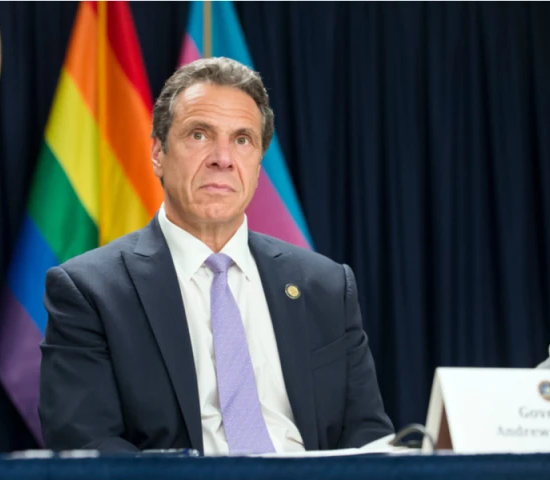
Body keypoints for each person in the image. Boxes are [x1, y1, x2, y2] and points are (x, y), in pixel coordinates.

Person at [38, 57, 394, 455]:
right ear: (157, 153)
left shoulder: (326, 286)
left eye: (242, 140)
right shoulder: (90, 291)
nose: (222, 158)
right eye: (199, 135)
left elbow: (367, 433)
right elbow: (86, 441)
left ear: (258, 165)